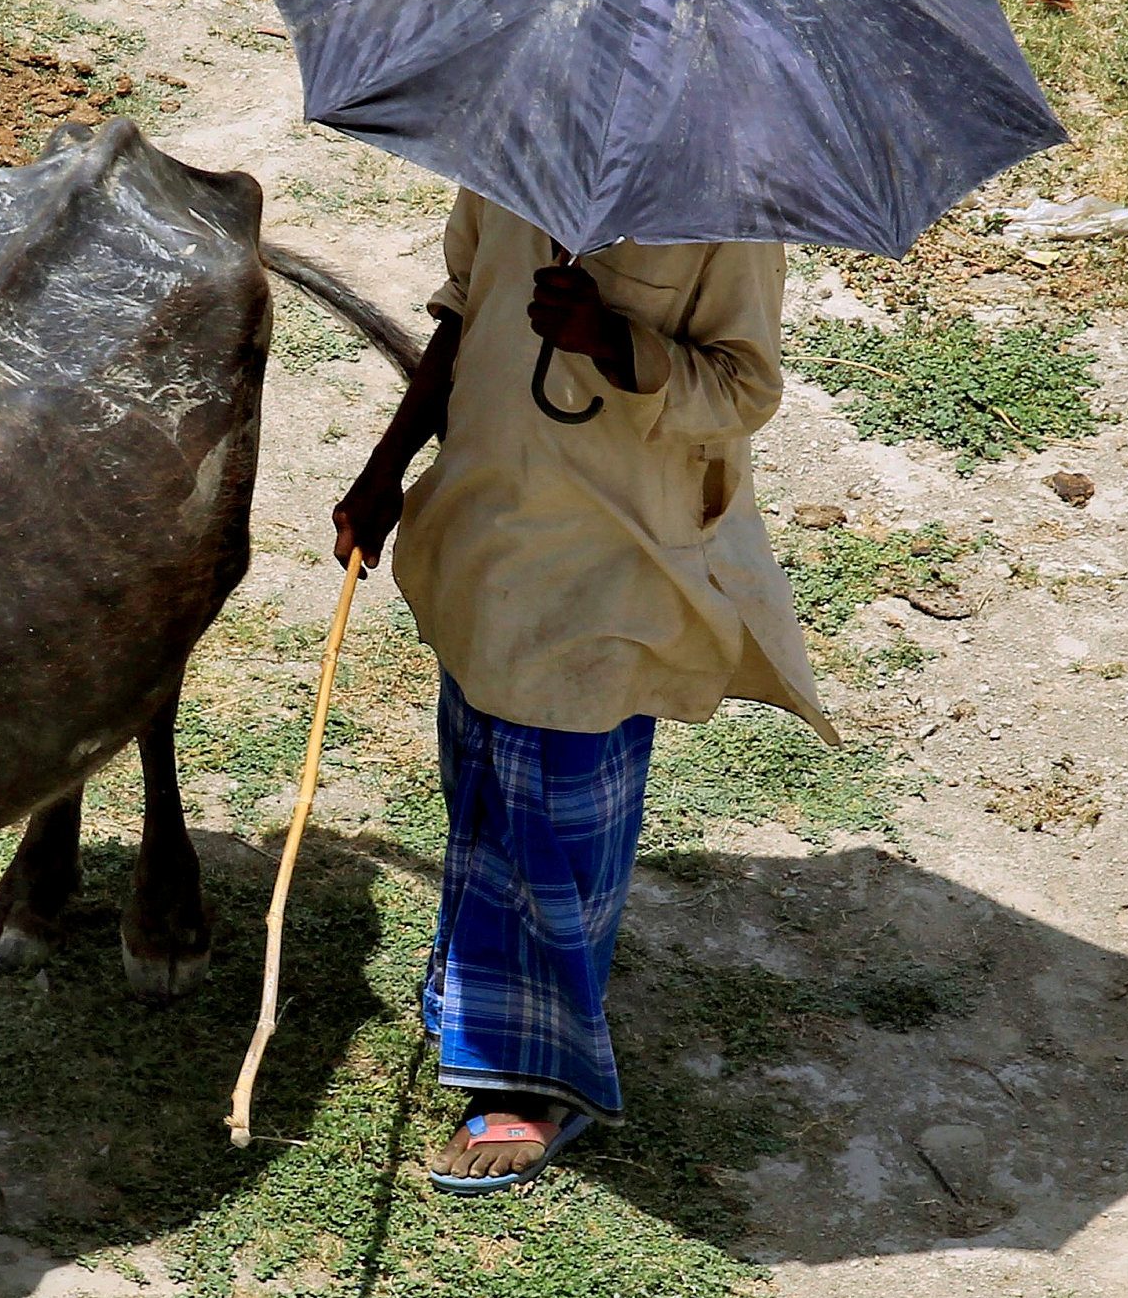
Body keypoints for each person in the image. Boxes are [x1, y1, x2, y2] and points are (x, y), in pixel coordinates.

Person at [331, 189, 833, 1193]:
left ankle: (535, 1079)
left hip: (618, 558)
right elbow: (462, 313)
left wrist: (612, 341)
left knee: (558, 819)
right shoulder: (512, 166)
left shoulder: (724, 214)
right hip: (485, 536)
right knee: (482, 788)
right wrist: (385, 468)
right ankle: (474, 1001)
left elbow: (743, 389)